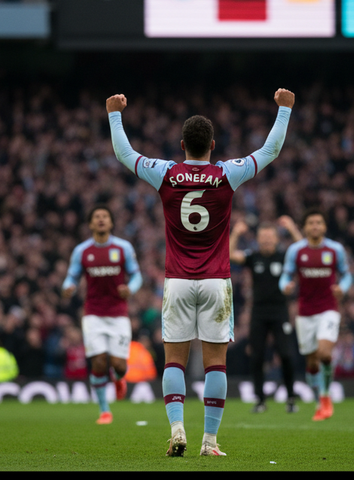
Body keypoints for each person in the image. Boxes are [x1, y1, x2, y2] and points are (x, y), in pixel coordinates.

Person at [107, 88, 294, 457]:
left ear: (181, 145)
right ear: (212, 144)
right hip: (215, 281)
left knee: (173, 359)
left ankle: (177, 429)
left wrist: (114, 114)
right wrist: (284, 110)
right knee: (215, 364)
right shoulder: (227, 173)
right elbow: (269, 151)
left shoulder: (166, 173)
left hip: (177, 280)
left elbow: (124, 154)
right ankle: (209, 441)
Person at [62, 204, 143, 425]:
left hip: (118, 314)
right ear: (90, 224)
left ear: (111, 222)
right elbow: (71, 276)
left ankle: (119, 380)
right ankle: (105, 411)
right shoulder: (82, 251)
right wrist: (68, 286)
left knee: (119, 365)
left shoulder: (123, 248)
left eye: (105, 216)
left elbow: (137, 276)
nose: (101, 220)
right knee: (98, 363)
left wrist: (131, 289)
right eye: (96, 217)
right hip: (93, 314)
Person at [279, 208, 352, 422]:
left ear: (324, 226)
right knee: (311, 362)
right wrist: (286, 286)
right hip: (305, 312)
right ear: (305, 227)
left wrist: (343, 288)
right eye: (311, 223)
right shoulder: (296, 251)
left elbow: (347, 275)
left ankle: (326, 397)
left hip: (328, 310)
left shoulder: (335, 249)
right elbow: (285, 275)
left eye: (319, 223)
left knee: (324, 354)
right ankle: (320, 401)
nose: (315, 226)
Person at [230, 216, 303, 414]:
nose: (267, 240)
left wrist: (292, 228)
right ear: (258, 239)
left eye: (270, 237)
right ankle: (260, 400)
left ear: (277, 239)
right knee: (257, 357)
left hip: (280, 311)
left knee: (286, 355)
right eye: (263, 237)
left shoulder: (284, 257)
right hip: (259, 312)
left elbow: (303, 250)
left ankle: (290, 397)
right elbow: (229, 255)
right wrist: (236, 232)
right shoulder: (253, 257)